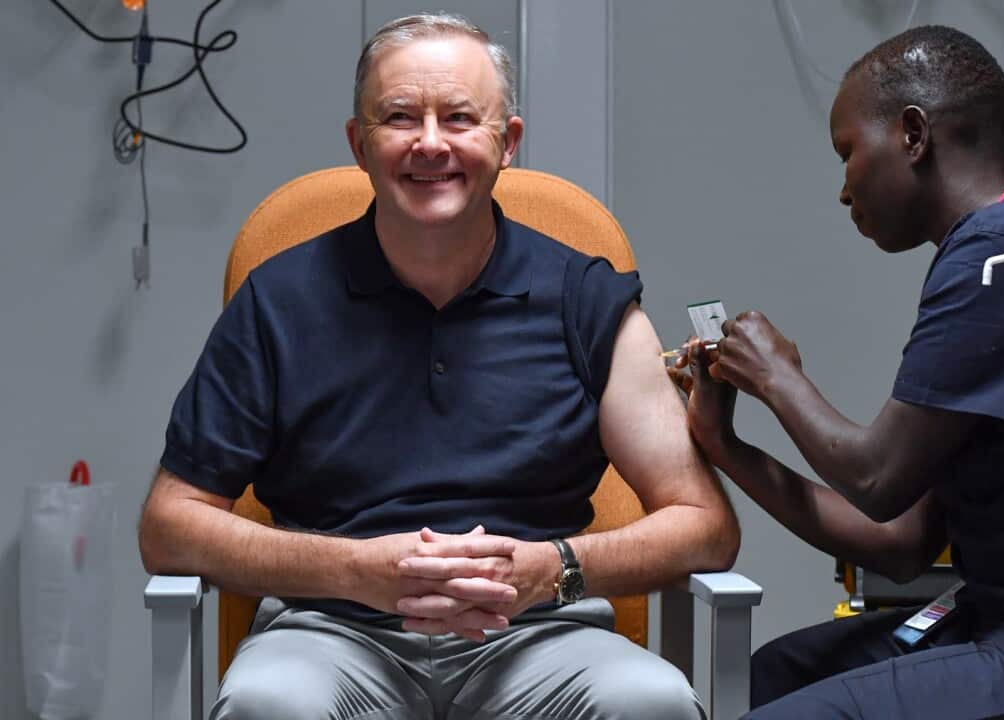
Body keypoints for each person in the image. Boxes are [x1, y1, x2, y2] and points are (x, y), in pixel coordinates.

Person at [138, 12, 739, 720]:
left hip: (538, 636)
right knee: (268, 705)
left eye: (459, 117)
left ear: (507, 142)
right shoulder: (278, 300)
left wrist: (553, 568)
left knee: (651, 702)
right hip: (332, 634)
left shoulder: (588, 301)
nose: (430, 143)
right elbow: (168, 525)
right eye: (399, 117)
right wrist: (357, 572)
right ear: (360, 145)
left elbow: (704, 524)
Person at [672, 25, 1004, 719]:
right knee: (768, 678)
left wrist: (778, 376)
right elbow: (899, 544)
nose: (845, 189)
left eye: (848, 153)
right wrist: (726, 445)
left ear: (912, 134)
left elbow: (876, 478)